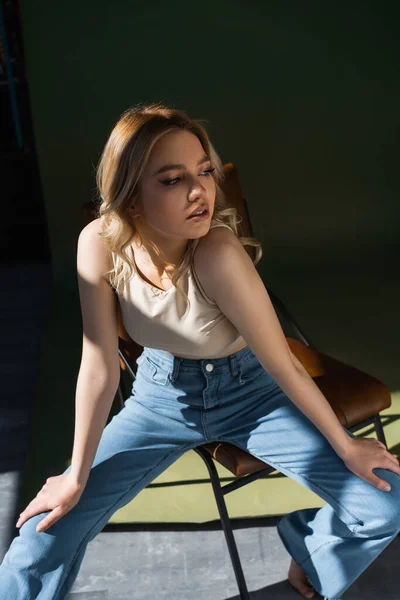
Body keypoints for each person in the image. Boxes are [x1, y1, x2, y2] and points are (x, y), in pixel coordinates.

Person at [0, 103, 399, 600]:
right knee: (41, 536)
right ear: (132, 197)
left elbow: (284, 365)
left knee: (386, 505)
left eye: (205, 172)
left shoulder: (217, 251)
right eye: (172, 179)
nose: (200, 191)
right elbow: (99, 366)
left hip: (255, 394)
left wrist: (347, 446)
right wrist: (74, 474)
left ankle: (310, 549)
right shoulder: (97, 245)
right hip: (158, 399)